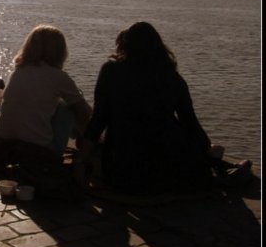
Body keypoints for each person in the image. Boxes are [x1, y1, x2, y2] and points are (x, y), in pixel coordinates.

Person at [81, 21, 214, 196]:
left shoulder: (111, 71)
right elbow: (192, 126)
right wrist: (205, 150)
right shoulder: (173, 79)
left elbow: (98, 120)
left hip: (121, 169)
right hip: (167, 167)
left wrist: (82, 158)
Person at [0, 25, 92, 159]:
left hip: (2, 142)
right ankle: (86, 146)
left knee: (52, 104)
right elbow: (85, 112)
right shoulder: (58, 77)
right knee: (68, 108)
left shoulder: (17, 71)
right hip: (37, 150)